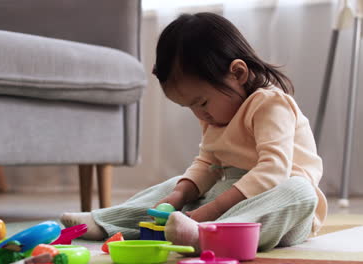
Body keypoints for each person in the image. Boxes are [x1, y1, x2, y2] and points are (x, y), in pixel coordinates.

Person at [61, 12, 327, 253]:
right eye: (189, 107)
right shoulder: (215, 115)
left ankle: (209, 235)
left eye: (201, 102)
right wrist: (179, 196)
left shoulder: (269, 104)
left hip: (278, 206)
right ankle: (106, 221)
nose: (200, 115)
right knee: (178, 184)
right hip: (229, 197)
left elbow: (273, 170)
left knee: (300, 190)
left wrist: (209, 211)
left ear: (238, 73)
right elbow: (207, 164)